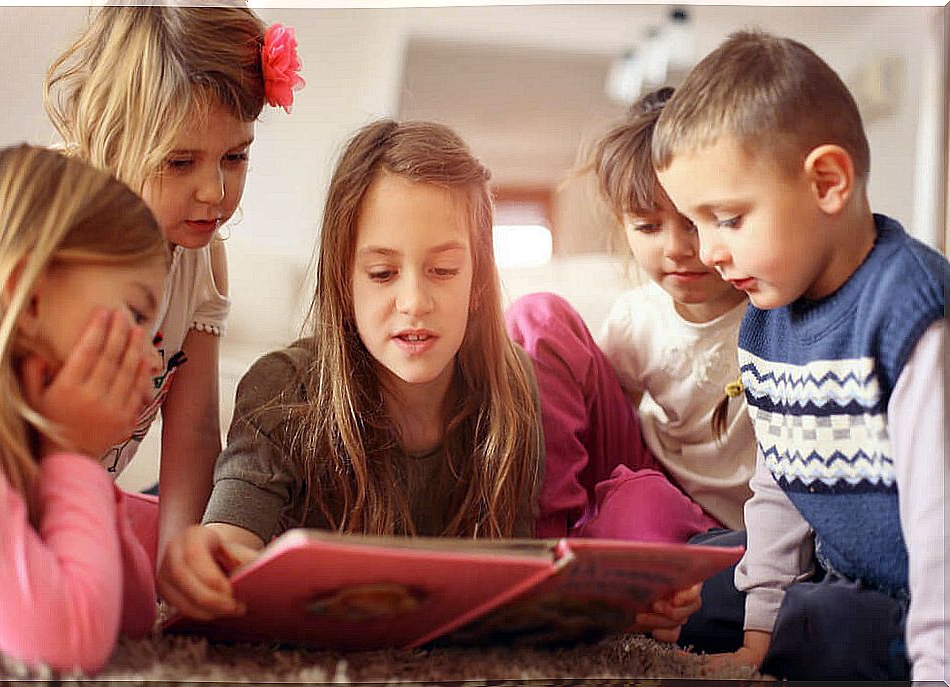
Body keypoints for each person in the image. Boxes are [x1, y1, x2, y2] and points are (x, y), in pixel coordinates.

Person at [157, 119, 703, 641]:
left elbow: (516, 582)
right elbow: (229, 537)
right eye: (382, 274)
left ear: (479, 282)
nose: (416, 302)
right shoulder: (281, 388)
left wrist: (619, 609)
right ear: (344, 282)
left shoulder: (513, 387)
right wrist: (208, 559)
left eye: (443, 271)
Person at [653, 30, 948, 682]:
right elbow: (780, 481)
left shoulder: (912, 314)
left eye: (726, 218)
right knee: (690, 579)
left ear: (826, 181)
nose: (707, 251)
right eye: (694, 223)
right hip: (833, 560)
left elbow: (941, 529)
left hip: (909, 589)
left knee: (824, 625)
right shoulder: (764, 318)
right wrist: (759, 623)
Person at [43, 5, 305, 572]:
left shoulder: (203, 257)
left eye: (235, 157)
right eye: (180, 161)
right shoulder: (48, 236)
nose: (214, 190)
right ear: (113, 137)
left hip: (87, 503)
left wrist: (177, 572)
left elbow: (194, 429)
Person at [505, 87, 753, 547]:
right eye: (647, 226)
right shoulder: (635, 319)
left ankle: (613, 549)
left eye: (696, 223)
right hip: (652, 476)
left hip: (735, 525)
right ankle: (547, 541)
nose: (677, 248)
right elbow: (594, 425)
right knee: (536, 315)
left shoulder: (767, 312)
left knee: (641, 511)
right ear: (622, 226)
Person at [0, 144, 169, 673]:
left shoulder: (27, 443)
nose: (150, 354)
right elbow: (72, 639)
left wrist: (74, 457)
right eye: (135, 315)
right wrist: (76, 457)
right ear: (29, 296)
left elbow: (132, 617)